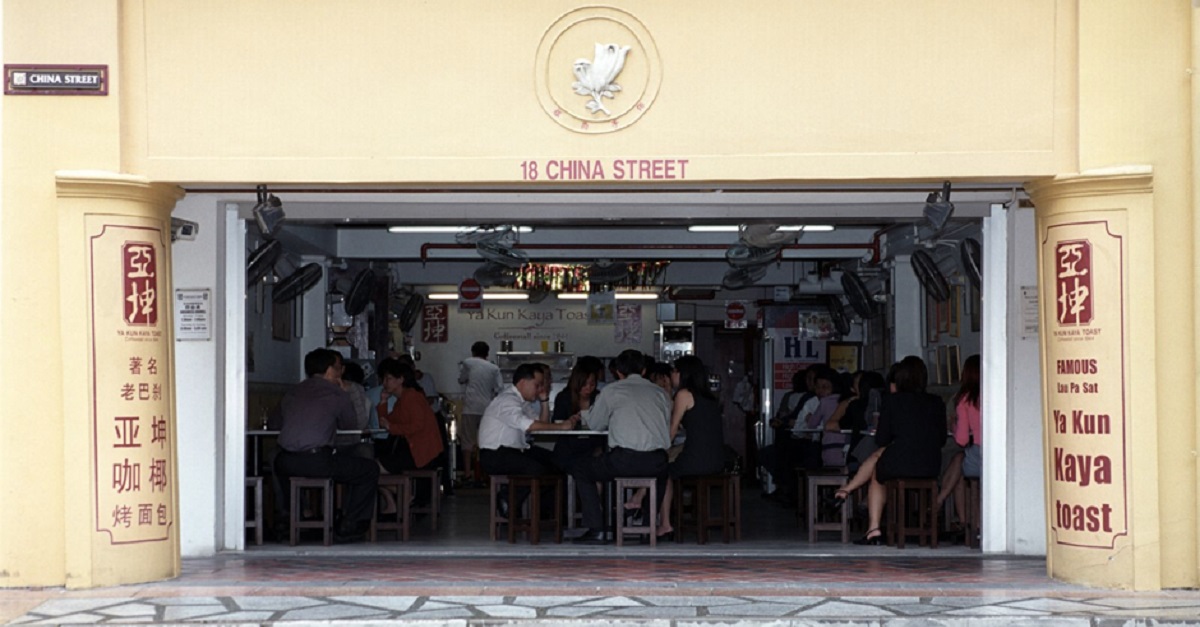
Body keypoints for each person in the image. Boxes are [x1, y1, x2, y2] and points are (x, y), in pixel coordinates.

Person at [832, 356, 947, 545]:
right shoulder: (936, 402)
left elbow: (881, 439)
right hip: (931, 464)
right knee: (881, 457)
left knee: (878, 469)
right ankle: (847, 490)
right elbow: (941, 438)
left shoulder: (893, 402)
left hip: (900, 462)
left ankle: (873, 527)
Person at [274, 348, 379, 543]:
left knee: (278, 464)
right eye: (338, 369)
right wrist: (344, 395)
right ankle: (350, 524)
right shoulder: (337, 394)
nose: (341, 373)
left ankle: (290, 518)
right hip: (317, 460)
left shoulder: (292, 391)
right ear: (330, 371)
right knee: (369, 469)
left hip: (285, 460)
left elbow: (276, 424)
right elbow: (350, 427)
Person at [570, 349, 672, 543]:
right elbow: (664, 425)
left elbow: (594, 424)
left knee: (581, 468)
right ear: (643, 370)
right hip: (656, 460)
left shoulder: (611, 391)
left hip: (623, 461)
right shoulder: (659, 393)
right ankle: (648, 528)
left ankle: (597, 528)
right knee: (661, 473)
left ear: (617, 372)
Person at [479, 363, 581, 516]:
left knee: (557, 463)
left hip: (515, 451)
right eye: (537, 385)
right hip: (495, 454)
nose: (540, 388)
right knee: (536, 469)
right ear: (522, 383)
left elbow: (540, 425)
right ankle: (507, 499)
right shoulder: (507, 400)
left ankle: (548, 513)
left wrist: (544, 400)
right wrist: (562, 427)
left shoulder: (522, 403)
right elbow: (529, 426)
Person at [656, 355, 726, 537]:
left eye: (674, 371)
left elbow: (671, 432)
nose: (671, 375)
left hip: (697, 459)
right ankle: (639, 501)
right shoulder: (709, 397)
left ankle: (665, 524)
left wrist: (657, 448)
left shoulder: (684, 394)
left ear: (682, 373)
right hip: (718, 459)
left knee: (663, 471)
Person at [375, 359, 445, 506]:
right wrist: (383, 403)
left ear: (400, 379)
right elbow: (387, 421)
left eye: (388, 379)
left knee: (371, 469)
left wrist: (392, 427)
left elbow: (417, 425)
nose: (384, 383)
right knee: (371, 468)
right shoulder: (402, 399)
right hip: (414, 450)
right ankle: (393, 503)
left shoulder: (411, 397)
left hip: (421, 453)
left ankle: (401, 494)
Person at [936, 354, 982, 528]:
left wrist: (955, 424)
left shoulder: (965, 399)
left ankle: (965, 522)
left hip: (978, 455)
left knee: (959, 464)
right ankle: (973, 523)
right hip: (999, 456)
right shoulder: (997, 393)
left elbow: (961, 440)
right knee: (960, 462)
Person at [458, 341, 503, 484]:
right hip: (487, 409)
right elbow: (499, 389)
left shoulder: (468, 363)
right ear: (487, 353)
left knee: (467, 442)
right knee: (486, 441)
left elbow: (462, 379)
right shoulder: (494, 368)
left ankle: (467, 474)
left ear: (472, 352)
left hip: (470, 407)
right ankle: (486, 474)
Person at [335, 361, 374, 459]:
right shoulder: (364, 397)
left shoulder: (357, 391)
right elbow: (362, 424)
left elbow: (361, 424)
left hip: (347, 444)